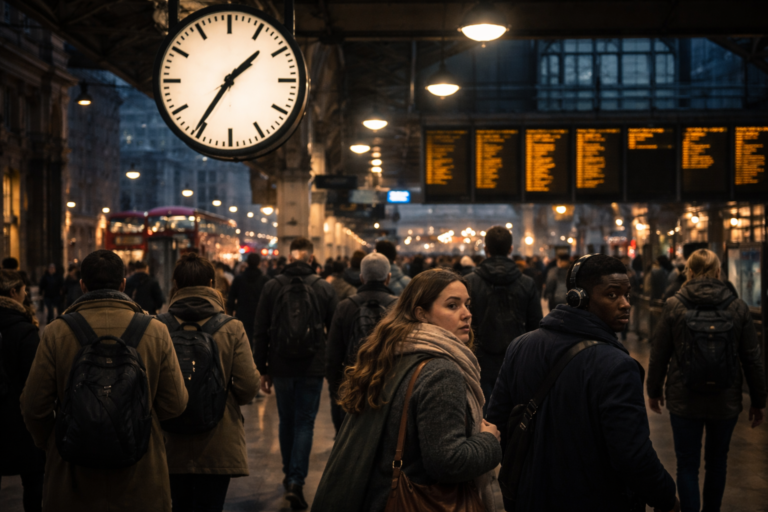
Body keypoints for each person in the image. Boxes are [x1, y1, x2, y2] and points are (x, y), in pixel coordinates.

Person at [487, 254, 679, 512]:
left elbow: (497, 422)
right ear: (579, 298)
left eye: (627, 294)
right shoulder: (617, 366)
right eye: (612, 295)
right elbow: (632, 455)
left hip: (527, 496)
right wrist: (666, 497)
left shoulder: (520, 346)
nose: (625, 304)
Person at [312, 269, 502, 512]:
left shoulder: (393, 353)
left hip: (375, 497)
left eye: (467, 304)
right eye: (452, 306)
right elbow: (448, 463)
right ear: (421, 313)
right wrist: (489, 441)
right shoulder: (441, 372)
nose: (467, 314)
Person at [20, 250, 188, 511]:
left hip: (73, 480)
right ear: (123, 283)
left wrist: (55, 443)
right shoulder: (156, 330)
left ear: (82, 285)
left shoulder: (56, 331)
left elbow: (33, 406)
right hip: (141, 478)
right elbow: (175, 403)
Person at [647, 249, 766, 512]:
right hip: (725, 398)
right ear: (718, 272)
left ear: (688, 271)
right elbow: (752, 359)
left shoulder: (674, 304)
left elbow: (659, 354)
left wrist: (654, 391)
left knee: (687, 465)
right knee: (717, 462)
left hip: (684, 397)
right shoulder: (738, 307)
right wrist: (758, 401)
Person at [161, 253, 260, 512]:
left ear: (176, 284)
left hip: (169, 440)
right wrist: (224, 397)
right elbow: (249, 385)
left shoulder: (157, 327)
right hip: (218, 439)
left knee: (179, 505)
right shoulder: (231, 327)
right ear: (211, 282)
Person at [253, 237, 338, 509]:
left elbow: (260, 329)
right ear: (311, 259)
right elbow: (334, 333)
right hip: (312, 367)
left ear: (290, 258)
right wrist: (331, 368)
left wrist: (262, 369)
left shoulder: (272, 287)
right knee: (305, 423)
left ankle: (288, 473)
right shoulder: (324, 288)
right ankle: (296, 481)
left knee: (285, 421)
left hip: (280, 366)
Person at [464, 226, 543, 407]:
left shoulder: (470, 282)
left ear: (486, 250)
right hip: (517, 361)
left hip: (479, 360)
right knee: (513, 416)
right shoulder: (527, 283)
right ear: (510, 249)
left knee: (482, 415)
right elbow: (536, 327)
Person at [325, 252, 397, 433]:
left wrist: (336, 391)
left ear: (361, 278)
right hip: (389, 386)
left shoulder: (345, 306)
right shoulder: (398, 307)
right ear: (388, 278)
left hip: (353, 384)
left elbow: (333, 355)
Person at [0, 270, 44, 512]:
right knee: (34, 482)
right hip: (19, 421)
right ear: (13, 292)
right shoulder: (24, 331)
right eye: (24, 290)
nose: (26, 294)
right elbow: (36, 382)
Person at [226, 252, 270, 344]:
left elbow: (230, 300)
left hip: (242, 316)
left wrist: (231, 314)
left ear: (247, 263)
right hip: (259, 317)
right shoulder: (265, 280)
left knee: (242, 343)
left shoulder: (238, 279)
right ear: (259, 264)